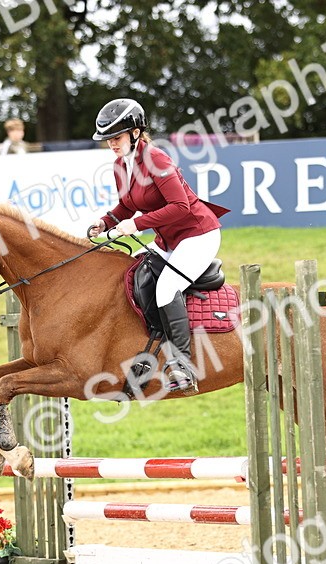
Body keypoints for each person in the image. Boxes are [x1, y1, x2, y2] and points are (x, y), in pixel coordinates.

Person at [86, 98, 229, 395]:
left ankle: (184, 367)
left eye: (117, 137)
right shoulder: (120, 165)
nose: (112, 144)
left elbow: (181, 207)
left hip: (197, 234)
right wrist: (106, 222)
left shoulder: (158, 160)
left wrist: (136, 226)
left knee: (166, 288)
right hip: (168, 240)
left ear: (136, 133)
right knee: (131, 273)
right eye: (108, 140)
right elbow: (127, 205)